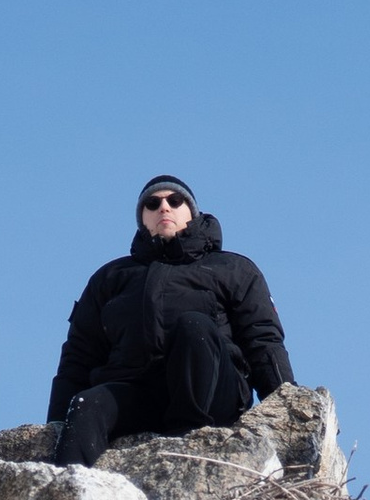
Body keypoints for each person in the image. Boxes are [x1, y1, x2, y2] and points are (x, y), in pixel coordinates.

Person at [47, 179, 295, 468]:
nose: (164, 207)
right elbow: (79, 353)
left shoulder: (233, 268)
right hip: (139, 392)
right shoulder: (110, 278)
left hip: (213, 392)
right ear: (142, 219)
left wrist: (286, 407)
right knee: (87, 404)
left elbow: (262, 341)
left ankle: (187, 445)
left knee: (194, 327)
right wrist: (54, 423)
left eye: (175, 201)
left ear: (191, 211)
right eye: (152, 204)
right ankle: (67, 490)